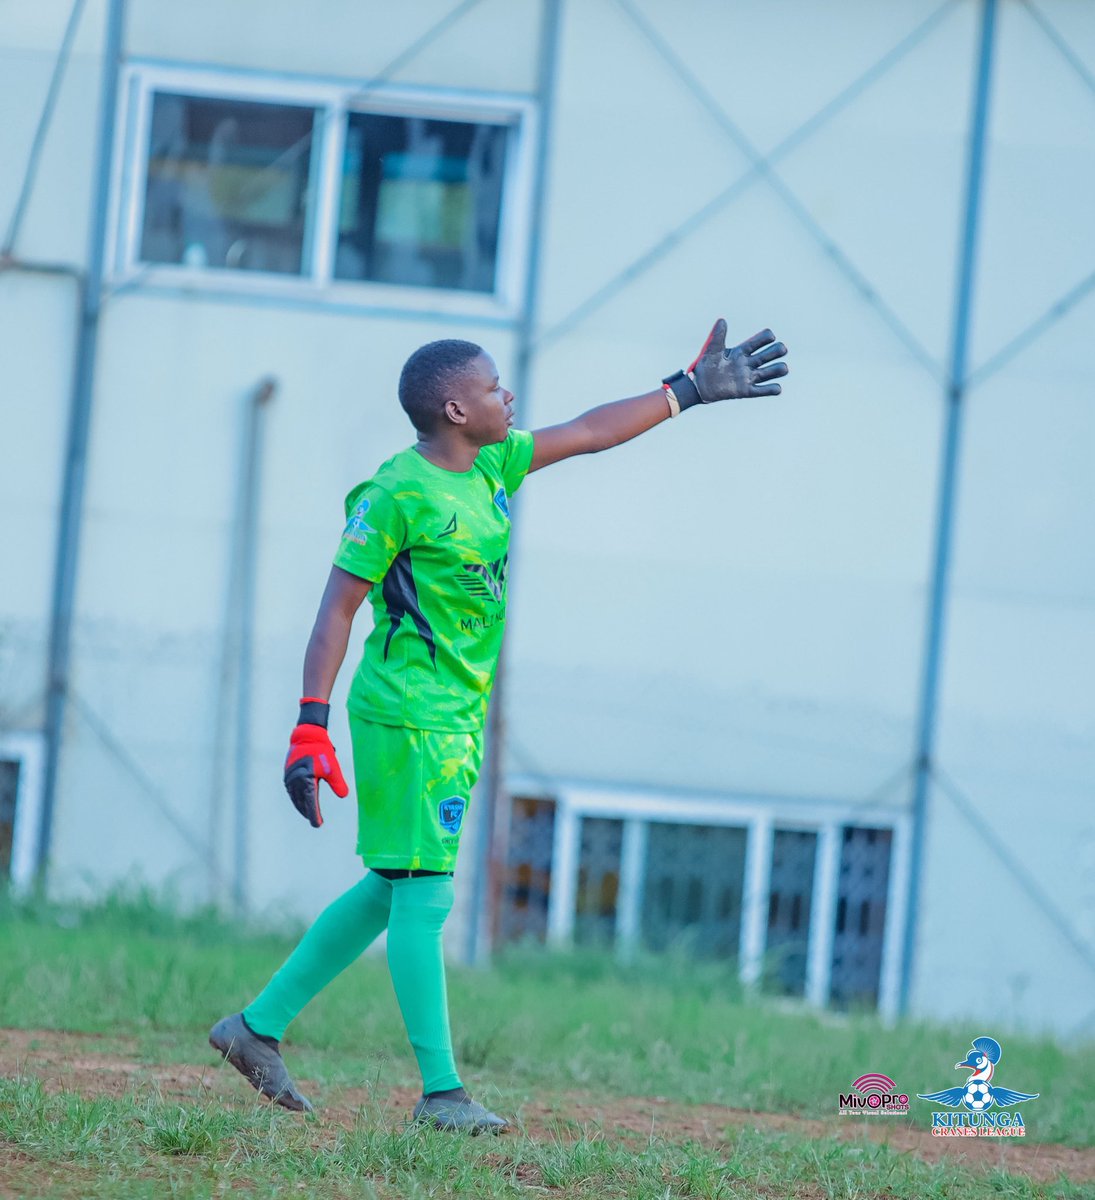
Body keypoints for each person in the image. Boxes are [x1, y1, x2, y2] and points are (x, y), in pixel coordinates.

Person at [209, 319, 788, 1132]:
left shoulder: (492, 463)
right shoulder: (395, 493)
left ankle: (255, 1029)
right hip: (409, 716)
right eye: (491, 388)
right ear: (453, 408)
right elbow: (336, 608)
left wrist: (685, 391)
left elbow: (588, 433)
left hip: (455, 717)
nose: (506, 396)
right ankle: (441, 1093)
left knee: (391, 884)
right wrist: (310, 725)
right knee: (425, 893)